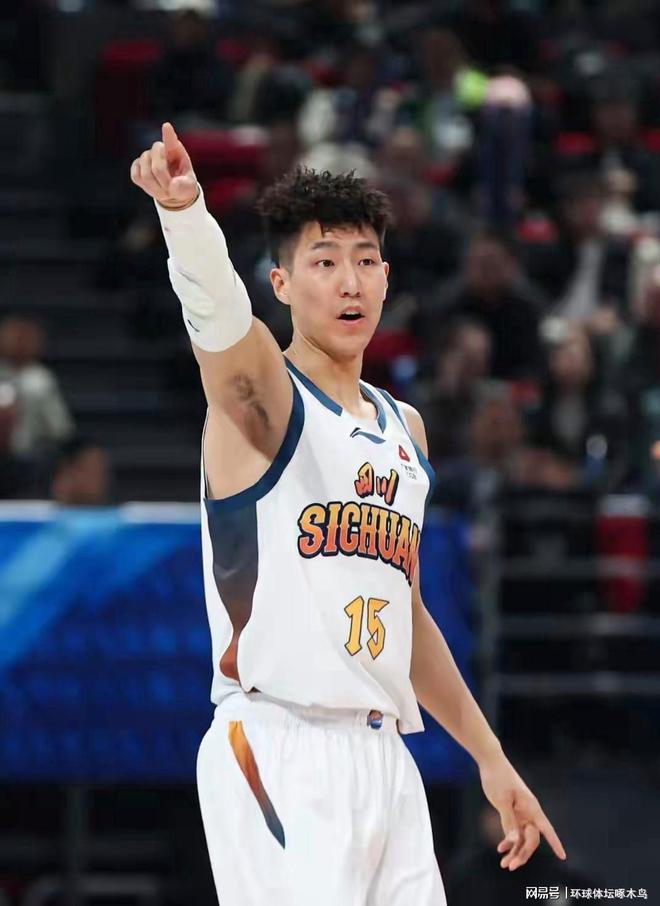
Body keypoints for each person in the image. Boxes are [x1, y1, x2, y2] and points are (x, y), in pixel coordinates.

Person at [130, 122, 567, 906]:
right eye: (324, 262)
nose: (349, 282)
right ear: (281, 283)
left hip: (384, 756)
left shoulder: (405, 429)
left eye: (365, 261)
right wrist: (186, 216)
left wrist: (490, 757)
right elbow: (220, 324)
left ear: (388, 279)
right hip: (278, 744)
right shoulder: (264, 404)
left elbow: (408, 617)